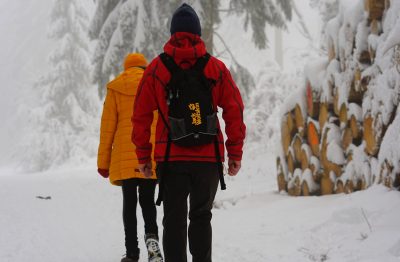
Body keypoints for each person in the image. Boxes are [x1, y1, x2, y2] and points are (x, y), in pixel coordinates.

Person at [132, 3, 246, 262]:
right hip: (209, 159)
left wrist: (143, 156)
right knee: (201, 217)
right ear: (198, 33)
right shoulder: (216, 68)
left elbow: (140, 115)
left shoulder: (156, 69)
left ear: (172, 34)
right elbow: (234, 110)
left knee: (173, 220)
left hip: (171, 159)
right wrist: (235, 152)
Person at [97, 53, 163, 262]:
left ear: (126, 69)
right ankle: (153, 248)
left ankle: (132, 252)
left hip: (124, 156)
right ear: (145, 67)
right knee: (148, 202)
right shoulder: (154, 85)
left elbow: (107, 128)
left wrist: (103, 162)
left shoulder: (116, 87)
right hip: (149, 153)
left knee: (129, 203)